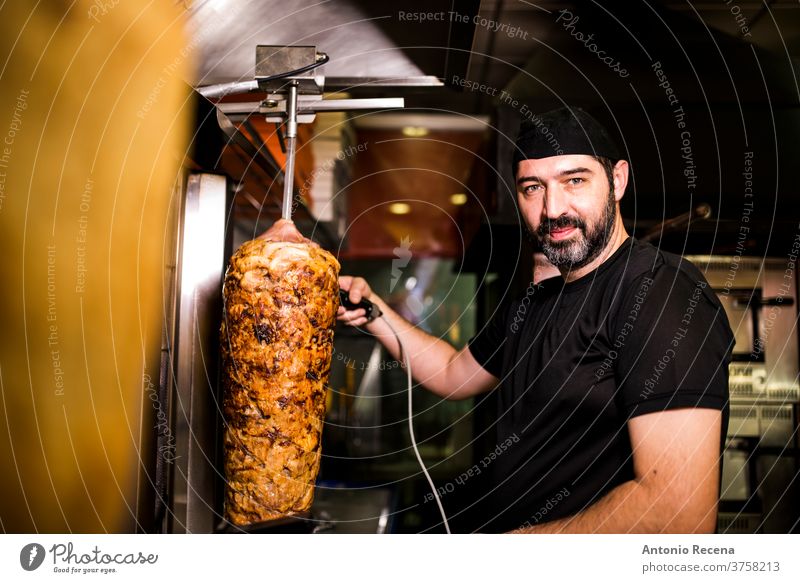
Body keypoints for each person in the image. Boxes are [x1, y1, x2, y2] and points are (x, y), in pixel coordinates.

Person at [338, 106, 734, 533]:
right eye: (532, 188)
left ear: (617, 180)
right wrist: (375, 314)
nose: (553, 209)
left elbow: (678, 513)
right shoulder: (537, 303)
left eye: (574, 180)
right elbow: (454, 374)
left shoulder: (661, 293)